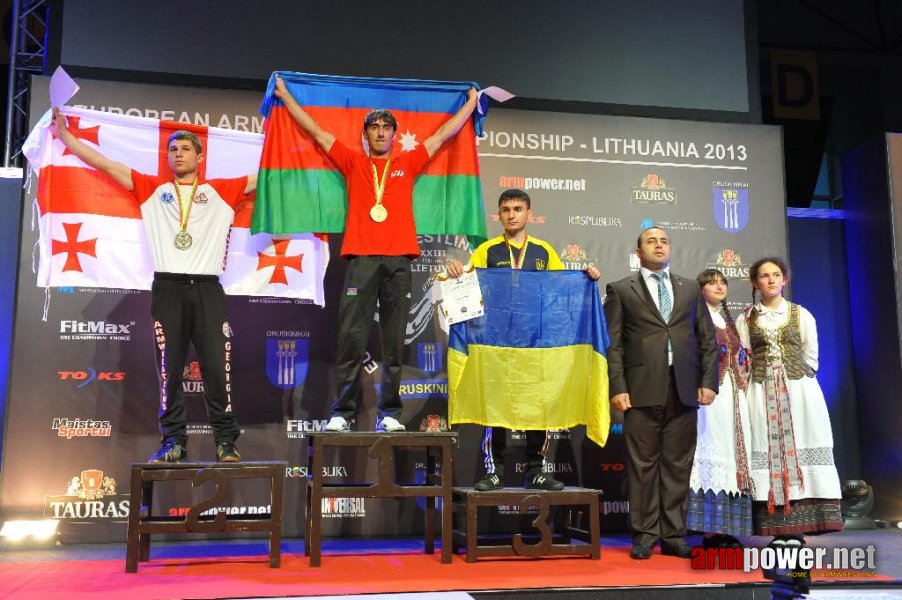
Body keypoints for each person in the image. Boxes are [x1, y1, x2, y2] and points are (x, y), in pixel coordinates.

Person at [273, 75, 478, 432]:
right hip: (362, 261)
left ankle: (390, 414)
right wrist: (287, 98)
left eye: (386, 127)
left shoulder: (408, 164)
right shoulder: (353, 162)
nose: (381, 132)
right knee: (352, 337)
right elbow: (317, 133)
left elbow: (442, 135)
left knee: (395, 341)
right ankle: (342, 413)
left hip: (399, 261)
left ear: (394, 135)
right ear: (366, 134)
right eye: (375, 127)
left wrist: (471, 105)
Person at [51, 108, 258, 463]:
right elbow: (107, 165)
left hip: (208, 290)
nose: (177, 154)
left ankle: (226, 441)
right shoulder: (152, 188)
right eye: (172, 150)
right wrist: (68, 138)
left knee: (216, 369)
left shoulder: (222, 190)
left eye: (185, 150)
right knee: (169, 371)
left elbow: (271, 175)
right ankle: (173, 442)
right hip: (167, 289)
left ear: (200, 157)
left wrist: (299, 146)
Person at [447, 188, 601, 491]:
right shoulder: (487, 251)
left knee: (539, 404)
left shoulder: (544, 252)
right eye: (505, 209)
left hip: (535, 342)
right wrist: (456, 272)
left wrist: (586, 277)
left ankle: (537, 470)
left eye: (518, 209)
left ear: (529, 214)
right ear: (499, 214)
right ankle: (495, 471)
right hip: (496, 342)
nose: (511, 214)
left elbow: (559, 292)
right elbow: (469, 285)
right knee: (495, 406)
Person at [603, 226, 719, 559]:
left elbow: (707, 341)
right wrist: (618, 387)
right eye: (651, 241)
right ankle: (644, 534)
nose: (658, 245)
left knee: (678, 465)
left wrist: (708, 382)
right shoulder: (622, 289)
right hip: (639, 390)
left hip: (683, 388)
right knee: (642, 466)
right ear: (638, 252)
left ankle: (673, 534)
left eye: (664, 241)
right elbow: (613, 345)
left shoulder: (690, 289)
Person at [735, 257, 842, 546]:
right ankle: (776, 529)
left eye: (776, 275)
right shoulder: (745, 318)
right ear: (755, 283)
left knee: (798, 448)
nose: (770, 280)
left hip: (798, 394)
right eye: (764, 276)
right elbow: (742, 357)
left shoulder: (800, 314)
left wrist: (791, 377)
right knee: (766, 451)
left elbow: (811, 356)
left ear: (785, 279)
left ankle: (798, 530)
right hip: (759, 393)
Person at [687, 269, 754, 549]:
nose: (718, 286)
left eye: (722, 282)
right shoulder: (694, 317)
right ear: (699, 289)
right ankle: (709, 531)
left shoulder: (729, 320)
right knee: (709, 453)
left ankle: (727, 527)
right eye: (711, 282)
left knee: (734, 457)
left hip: (733, 396)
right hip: (708, 395)